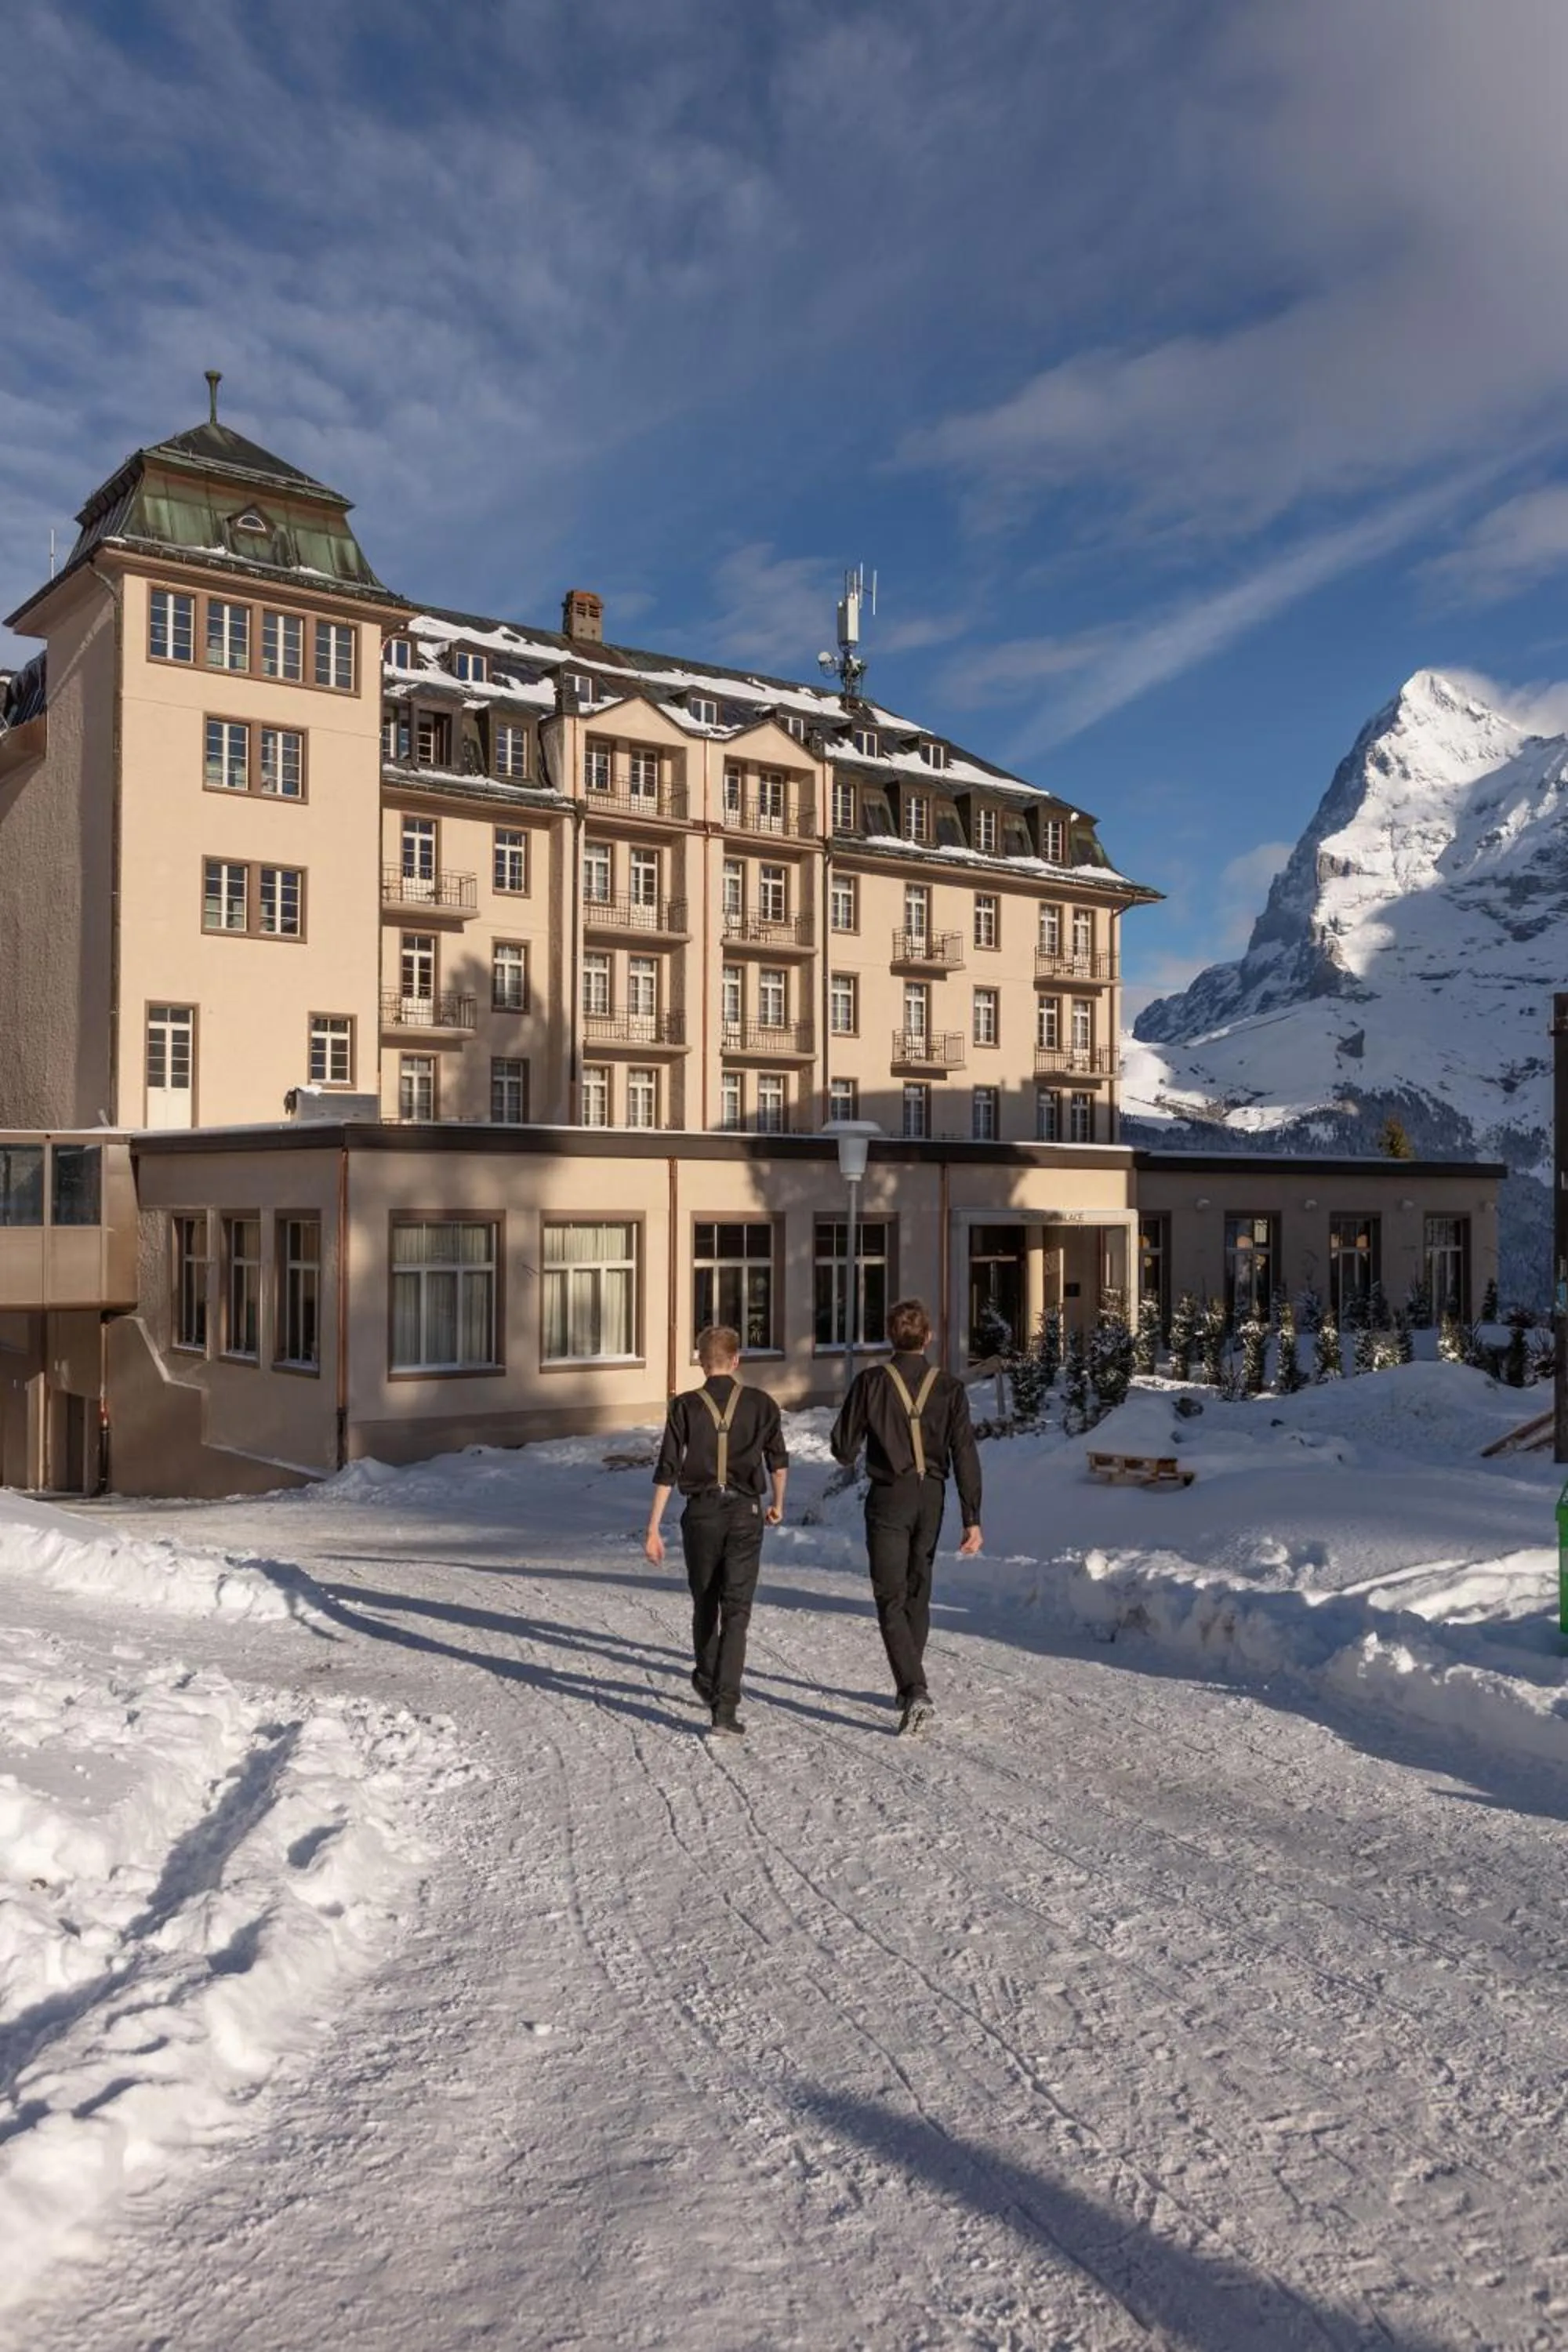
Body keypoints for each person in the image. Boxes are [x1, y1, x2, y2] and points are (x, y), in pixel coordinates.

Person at [829, 1296, 982, 1736]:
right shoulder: (950, 1388)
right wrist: (973, 1516)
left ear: (889, 1337)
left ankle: (913, 1688)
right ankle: (909, 1684)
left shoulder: (871, 1382)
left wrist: (863, 1434)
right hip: (932, 1495)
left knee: (890, 1595)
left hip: (889, 1495)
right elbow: (966, 1455)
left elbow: (843, 1449)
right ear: (928, 1337)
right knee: (918, 1590)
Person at [645, 1325, 788, 1737]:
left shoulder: (685, 1406)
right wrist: (778, 1502)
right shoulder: (761, 1404)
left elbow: (668, 1468)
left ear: (701, 1362)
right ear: (736, 1360)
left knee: (705, 1601)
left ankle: (707, 1678)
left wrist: (653, 1527)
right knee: (737, 1611)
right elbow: (778, 1460)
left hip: (702, 1513)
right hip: (746, 1513)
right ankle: (724, 1708)